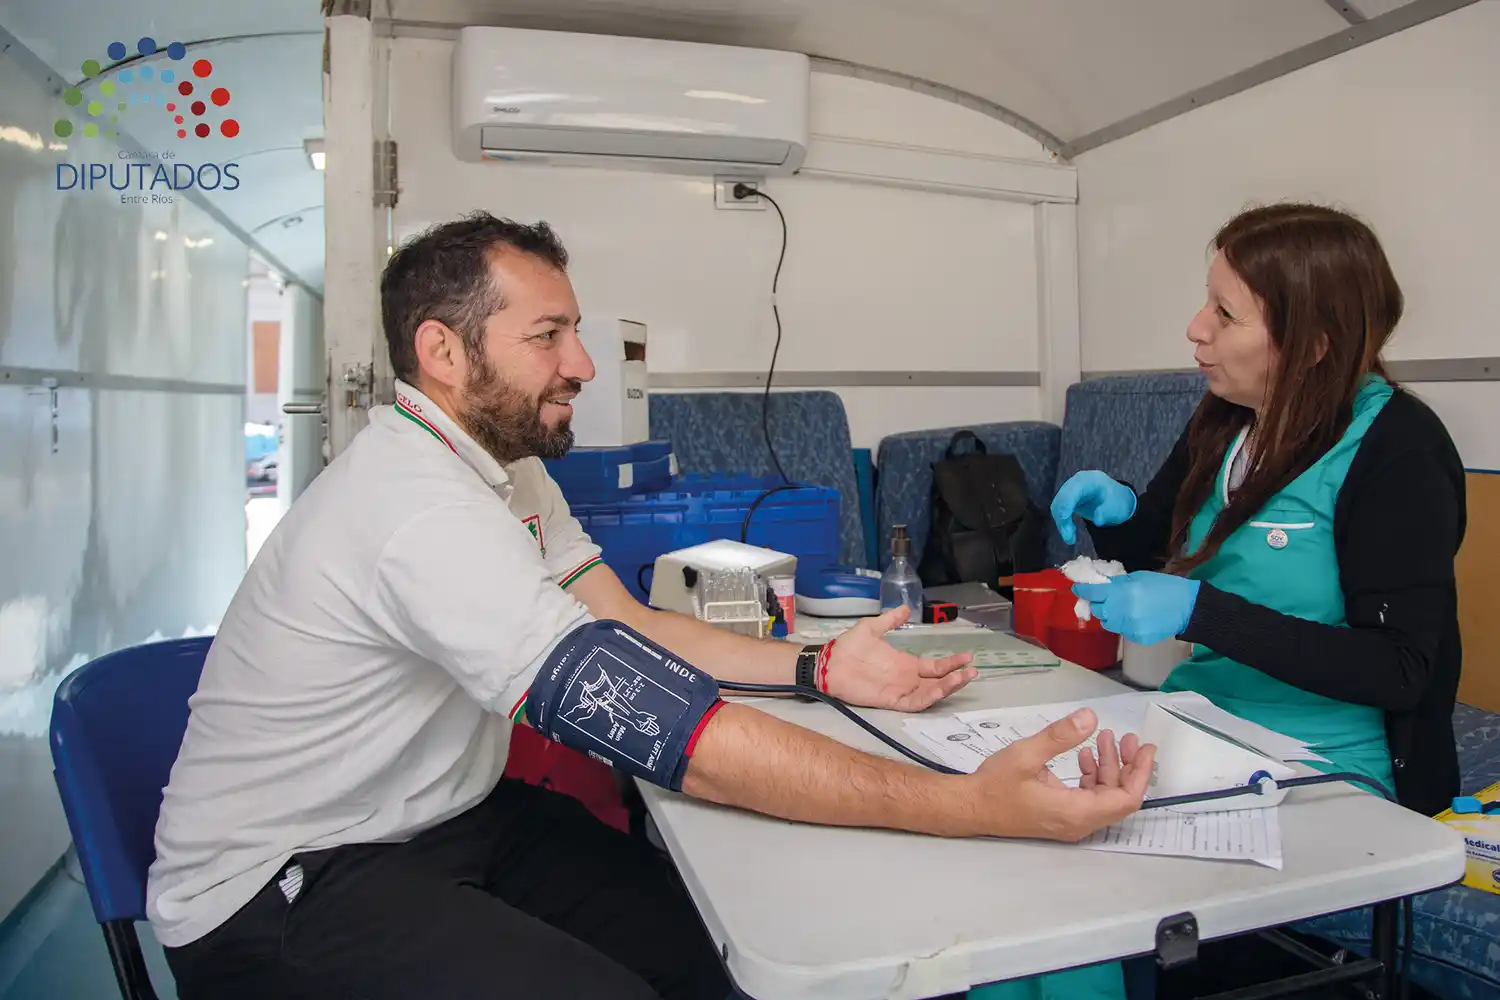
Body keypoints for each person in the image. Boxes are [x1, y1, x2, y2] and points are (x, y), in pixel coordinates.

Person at [146, 211, 1156, 1000]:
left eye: (575, 331)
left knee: (707, 946)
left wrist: (819, 666)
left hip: (442, 818)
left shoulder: (500, 469)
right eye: (549, 335)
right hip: (288, 883)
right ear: (443, 354)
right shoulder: (413, 509)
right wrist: (963, 808)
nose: (583, 364)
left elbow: (621, 622)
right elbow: (670, 733)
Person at [1050, 201, 1465, 817]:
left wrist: (1202, 613)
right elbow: (1162, 547)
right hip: (1202, 721)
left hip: (1323, 757)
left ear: (1314, 343)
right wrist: (1119, 510)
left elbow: (1398, 668)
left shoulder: (1399, 448)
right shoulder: (1224, 418)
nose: (1196, 327)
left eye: (1225, 314)